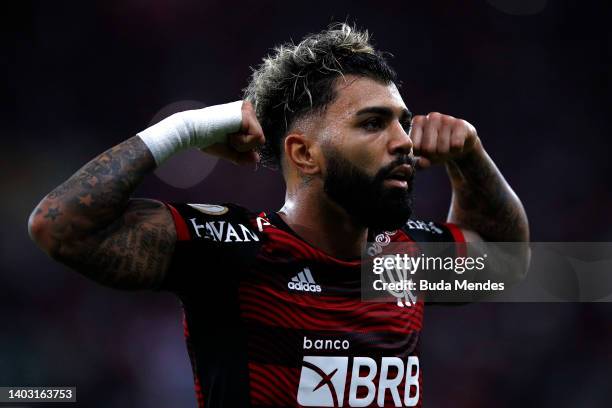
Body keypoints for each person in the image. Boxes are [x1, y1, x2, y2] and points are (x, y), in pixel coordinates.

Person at [28, 24, 529, 408]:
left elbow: (508, 265)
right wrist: (182, 130)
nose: (403, 140)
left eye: (402, 121)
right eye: (373, 123)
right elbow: (61, 226)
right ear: (304, 154)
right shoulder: (235, 251)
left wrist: (471, 158)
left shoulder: (402, 258)